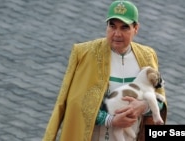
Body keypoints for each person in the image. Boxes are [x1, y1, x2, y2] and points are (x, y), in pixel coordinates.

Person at [42, 0, 167, 141]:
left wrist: (143, 106)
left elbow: (160, 100)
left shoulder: (147, 55)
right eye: (112, 26)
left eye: (124, 28)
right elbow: (76, 104)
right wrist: (110, 120)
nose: (117, 34)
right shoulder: (84, 53)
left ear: (136, 28)